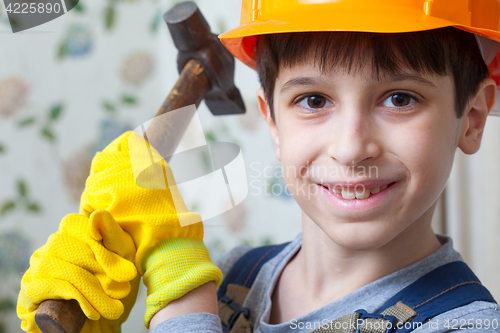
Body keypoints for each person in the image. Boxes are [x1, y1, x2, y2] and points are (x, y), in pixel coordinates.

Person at [16, 1, 500, 333]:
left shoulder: (463, 324)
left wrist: (176, 276)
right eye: (313, 99)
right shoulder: (233, 279)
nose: (352, 148)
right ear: (272, 121)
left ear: (471, 119)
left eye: (400, 98)